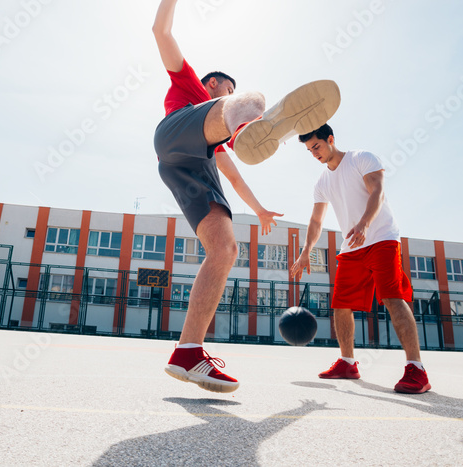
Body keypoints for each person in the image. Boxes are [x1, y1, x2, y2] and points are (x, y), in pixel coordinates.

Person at [152, 0, 338, 393]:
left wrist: (260, 210)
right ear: (213, 85)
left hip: (194, 164)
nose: (227, 92)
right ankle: (248, 127)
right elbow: (161, 32)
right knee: (253, 100)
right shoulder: (189, 85)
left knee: (225, 250)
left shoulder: (214, 144)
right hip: (173, 137)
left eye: (228, 93)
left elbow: (234, 180)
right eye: (226, 89)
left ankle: (188, 352)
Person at [291, 124, 431, 394]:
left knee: (392, 298)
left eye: (317, 146)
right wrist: (306, 250)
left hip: (381, 237)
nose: (314, 154)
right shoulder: (322, 182)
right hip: (352, 246)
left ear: (331, 139)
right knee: (341, 304)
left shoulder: (361, 158)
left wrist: (365, 224)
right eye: (309, 150)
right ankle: (347, 362)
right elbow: (316, 220)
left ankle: (417, 369)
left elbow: (376, 191)